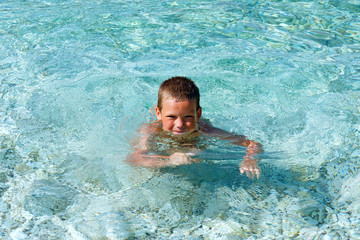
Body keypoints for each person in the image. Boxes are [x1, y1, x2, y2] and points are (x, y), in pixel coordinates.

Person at [126, 76, 263, 179]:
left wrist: (250, 159)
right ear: (159, 114)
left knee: (196, 152)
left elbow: (252, 143)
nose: (179, 124)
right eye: (171, 117)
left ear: (198, 115)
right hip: (163, 140)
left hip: (193, 138)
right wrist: (168, 161)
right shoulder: (150, 130)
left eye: (188, 117)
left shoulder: (206, 130)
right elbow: (134, 158)